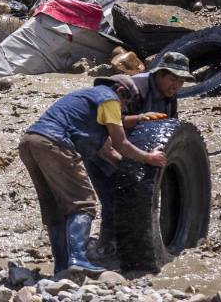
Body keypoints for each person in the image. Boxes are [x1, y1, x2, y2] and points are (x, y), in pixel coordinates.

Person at [18, 75, 167, 276]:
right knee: (83, 204)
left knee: (55, 208)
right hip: (55, 144)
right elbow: (121, 143)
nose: (124, 108)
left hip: (30, 142)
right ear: (121, 91)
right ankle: (78, 258)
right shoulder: (110, 99)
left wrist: (139, 121)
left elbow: (111, 147)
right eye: (126, 103)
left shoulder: (90, 100)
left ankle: (62, 267)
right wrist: (149, 158)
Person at [85, 52, 194, 259]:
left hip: (137, 152)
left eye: (181, 81)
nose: (177, 85)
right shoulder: (133, 89)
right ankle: (106, 247)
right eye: (173, 79)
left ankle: (134, 244)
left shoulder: (170, 94)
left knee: (139, 197)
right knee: (112, 198)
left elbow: (170, 128)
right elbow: (108, 120)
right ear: (159, 74)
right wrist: (140, 118)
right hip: (104, 147)